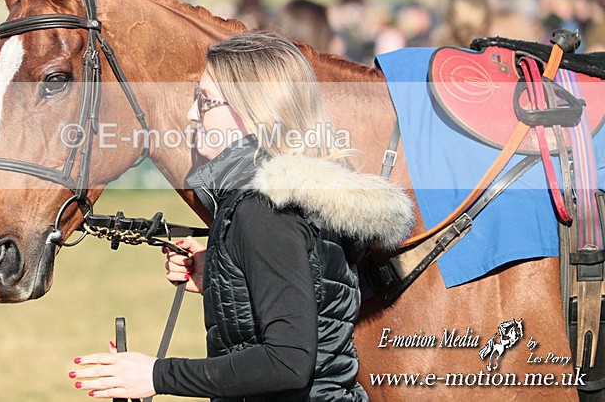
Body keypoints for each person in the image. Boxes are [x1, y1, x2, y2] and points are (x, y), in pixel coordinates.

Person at [68, 31, 415, 400]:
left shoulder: (262, 211)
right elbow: (312, 288)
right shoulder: (281, 202)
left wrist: (155, 375)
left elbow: (287, 362)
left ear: (253, 111)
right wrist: (225, 271)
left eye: (204, 101)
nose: (190, 115)